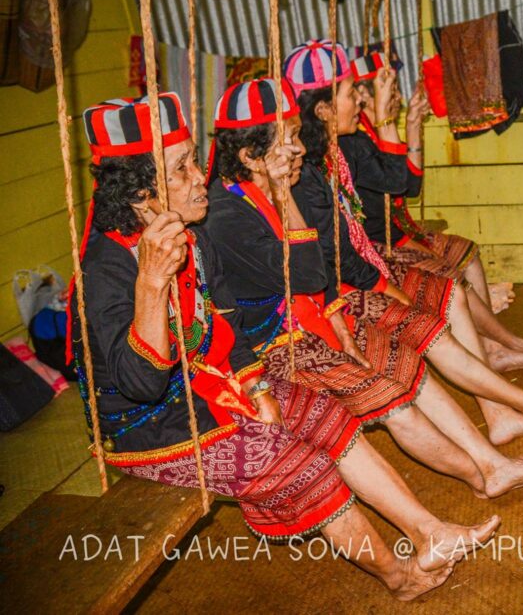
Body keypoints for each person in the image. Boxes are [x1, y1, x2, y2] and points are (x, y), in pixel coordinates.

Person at [70, 92, 498, 600]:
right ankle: (398, 576)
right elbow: (141, 387)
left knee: (328, 417)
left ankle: (430, 533)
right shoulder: (106, 269)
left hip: (212, 386)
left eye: (191, 160)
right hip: (149, 425)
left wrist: (257, 387)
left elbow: (226, 316)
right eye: (182, 168)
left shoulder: (194, 234)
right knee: (300, 464)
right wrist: (151, 286)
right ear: (142, 195)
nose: (198, 176)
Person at [204, 77, 523, 496]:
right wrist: (287, 197)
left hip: (322, 313)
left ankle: (492, 459)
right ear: (250, 155)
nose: (299, 150)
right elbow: (312, 275)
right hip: (276, 342)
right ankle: (483, 469)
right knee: (393, 393)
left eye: (299, 138)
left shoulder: (286, 182)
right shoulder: (229, 212)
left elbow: (323, 274)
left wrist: (339, 316)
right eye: (288, 141)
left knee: (409, 367)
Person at [283, 41, 523, 444]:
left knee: (450, 286)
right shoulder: (313, 166)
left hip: (368, 262)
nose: (363, 100)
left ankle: (500, 396)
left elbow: (401, 189)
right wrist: (386, 121)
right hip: (348, 284)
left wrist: (401, 124)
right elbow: (353, 242)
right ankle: (513, 391)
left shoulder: (335, 149)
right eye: (355, 92)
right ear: (324, 110)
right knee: (442, 297)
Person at [346, 53, 523, 369]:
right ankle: (504, 346)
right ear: (365, 95)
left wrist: (411, 128)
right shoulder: (357, 138)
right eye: (389, 88)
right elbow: (395, 186)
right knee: (449, 275)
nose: (395, 95)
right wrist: (391, 125)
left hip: (398, 231)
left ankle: (491, 344)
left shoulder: (375, 128)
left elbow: (411, 188)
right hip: (380, 242)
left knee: (467, 253)